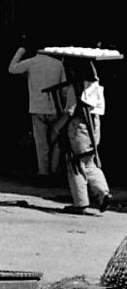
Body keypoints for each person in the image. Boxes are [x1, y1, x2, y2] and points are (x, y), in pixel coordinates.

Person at [52, 59, 110, 214]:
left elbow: (69, 111)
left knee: (76, 164)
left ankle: (80, 202)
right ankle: (103, 193)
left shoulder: (76, 87)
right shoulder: (95, 86)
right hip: (94, 128)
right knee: (89, 162)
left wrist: (56, 128)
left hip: (79, 129)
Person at [8, 39, 65, 180]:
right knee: (56, 141)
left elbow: (12, 69)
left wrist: (21, 50)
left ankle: (44, 173)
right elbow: (64, 89)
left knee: (41, 143)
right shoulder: (58, 64)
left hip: (37, 107)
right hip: (54, 108)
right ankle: (54, 170)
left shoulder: (32, 62)